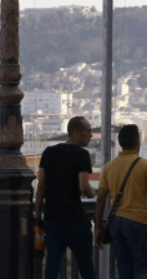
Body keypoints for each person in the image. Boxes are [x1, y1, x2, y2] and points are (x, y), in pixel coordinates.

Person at [94, 124, 147, 279]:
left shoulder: (109, 167)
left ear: (121, 143)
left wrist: (98, 227)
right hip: (137, 221)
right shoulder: (145, 165)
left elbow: (101, 199)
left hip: (116, 223)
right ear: (138, 143)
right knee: (144, 268)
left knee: (125, 269)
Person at [34, 116, 97, 279]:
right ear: (76, 133)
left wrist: (38, 215)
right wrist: (94, 194)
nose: (91, 135)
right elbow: (84, 186)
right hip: (75, 219)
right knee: (86, 268)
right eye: (88, 131)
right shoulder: (82, 155)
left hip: (52, 219)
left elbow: (40, 187)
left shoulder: (49, 152)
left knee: (52, 266)